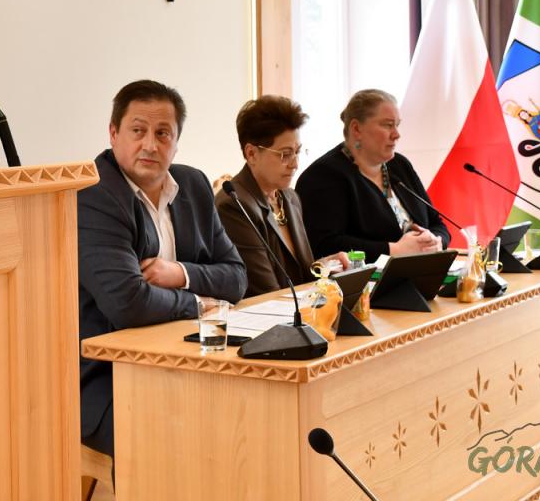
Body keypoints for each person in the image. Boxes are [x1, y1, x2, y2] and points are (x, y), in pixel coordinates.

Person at [78, 80, 247, 459]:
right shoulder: (94, 194)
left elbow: (236, 278)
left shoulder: (193, 184)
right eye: (138, 131)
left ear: (176, 141)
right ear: (113, 133)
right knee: (173, 437)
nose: (150, 145)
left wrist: (179, 274)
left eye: (162, 133)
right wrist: (201, 303)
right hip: (105, 376)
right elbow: (129, 304)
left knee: (247, 415)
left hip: (187, 359)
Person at [214, 96, 349, 296]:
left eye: (297, 152)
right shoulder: (234, 205)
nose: (295, 164)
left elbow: (300, 276)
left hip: (296, 310)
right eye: (285, 154)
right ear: (251, 154)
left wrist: (325, 266)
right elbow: (267, 293)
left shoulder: (289, 197)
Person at [296, 89, 449, 262]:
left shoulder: (400, 165)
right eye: (387, 125)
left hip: (421, 270)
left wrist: (437, 241)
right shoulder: (323, 176)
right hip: (366, 278)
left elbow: (436, 223)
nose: (396, 134)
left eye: (397, 125)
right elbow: (326, 245)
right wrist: (393, 250)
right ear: (356, 129)